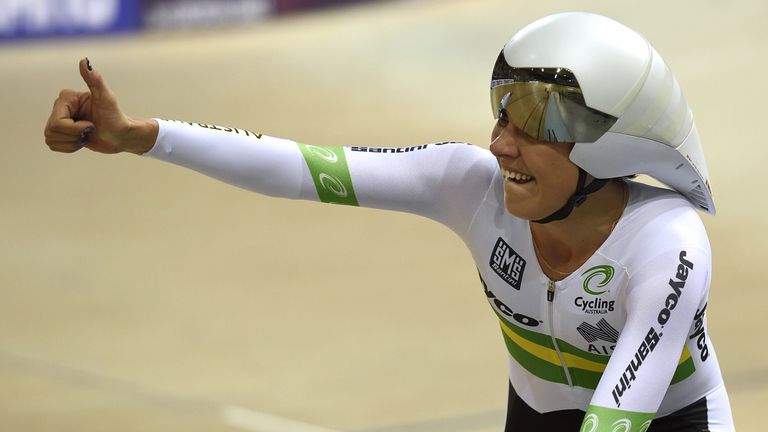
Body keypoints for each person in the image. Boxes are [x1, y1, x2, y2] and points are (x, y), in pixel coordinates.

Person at [43, 12, 735, 432]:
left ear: (604, 148)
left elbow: (619, 415)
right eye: (500, 112)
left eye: (530, 122)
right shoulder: (467, 186)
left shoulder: (667, 245)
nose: (498, 143)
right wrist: (144, 136)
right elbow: (296, 168)